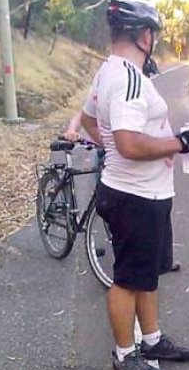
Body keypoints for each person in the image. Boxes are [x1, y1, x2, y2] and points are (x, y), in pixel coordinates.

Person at [80, 0, 189, 370]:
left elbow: (88, 119)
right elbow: (130, 143)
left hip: (141, 192)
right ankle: (124, 353)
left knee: (146, 274)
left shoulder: (108, 72)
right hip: (136, 197)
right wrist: (178, 144)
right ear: (143, 35)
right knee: (129, 279)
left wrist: (114, 150)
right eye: (153, 33)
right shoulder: (130, 79)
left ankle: (150, 340)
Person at [63, 108, 180, 274]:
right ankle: (128, 265)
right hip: (110, 155)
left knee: (152, 211)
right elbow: (84, 113)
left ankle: (157, 258)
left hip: (136, 162)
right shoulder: (112, 89)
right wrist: (71, 130)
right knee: (116, 208)